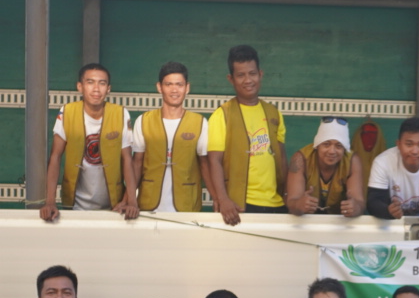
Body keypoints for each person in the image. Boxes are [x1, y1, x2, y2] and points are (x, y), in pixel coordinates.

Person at [205, 44, 288, 220]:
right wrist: (223, 198)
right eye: (240, 75)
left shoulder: (274, 113)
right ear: (231, 79)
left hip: (276, 204)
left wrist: (289, 195)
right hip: (240, 206)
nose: (248, 80)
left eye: (252, 73)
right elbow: (214, 161)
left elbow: (281, 157)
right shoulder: (222, 115)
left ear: (260, 74)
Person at [40, 63, 130, 220]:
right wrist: (50, 201)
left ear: (108, 88)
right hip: (74, 205)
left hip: (114, 206)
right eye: (90, 82)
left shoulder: (121, 114)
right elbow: (55, 156)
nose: (96, 89)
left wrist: (127, 201)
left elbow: (128, 159)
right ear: (79, 86)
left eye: (102, 83)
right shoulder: (67, 112)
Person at [124, 61, 214, 217]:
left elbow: (204, 164)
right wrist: (128, 199)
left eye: (179, 84)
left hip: (187, 205)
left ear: (187, 88)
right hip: (149, 205)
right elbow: (136, 163)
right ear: (159, 87)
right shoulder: (144, 120)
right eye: (169, 84)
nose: (174, 90)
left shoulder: (199, 122)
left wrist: (217, 199)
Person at [367, 117, 419, 220]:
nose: (415, 151)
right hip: (391, 222)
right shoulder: (382, 162)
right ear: (398, 144)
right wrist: (388, 211)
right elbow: (373, 202)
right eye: (409, 144)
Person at [286, 117, 367, 217]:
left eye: (338, 146)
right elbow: (291, 202)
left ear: (344, 149)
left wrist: (355, 207)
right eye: (326, 144)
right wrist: (299, 205)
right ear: (317, 145)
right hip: (305, 222)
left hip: (338, 223)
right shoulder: (300, 158)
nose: (332, 151)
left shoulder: (352, 161)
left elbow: (359, 202)